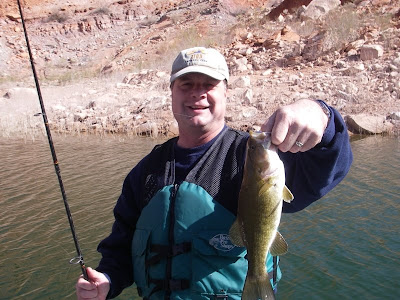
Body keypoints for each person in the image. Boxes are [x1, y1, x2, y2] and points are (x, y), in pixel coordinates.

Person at [76, 47, 353, 300]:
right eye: (186, 84)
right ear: (172, 92)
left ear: (225, 92)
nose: (198, 93)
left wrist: (322, 116)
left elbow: (327, 166)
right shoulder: (145, 172)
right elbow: (122, 245)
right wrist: (107, 280)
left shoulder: (253, 156)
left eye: (209, 84)